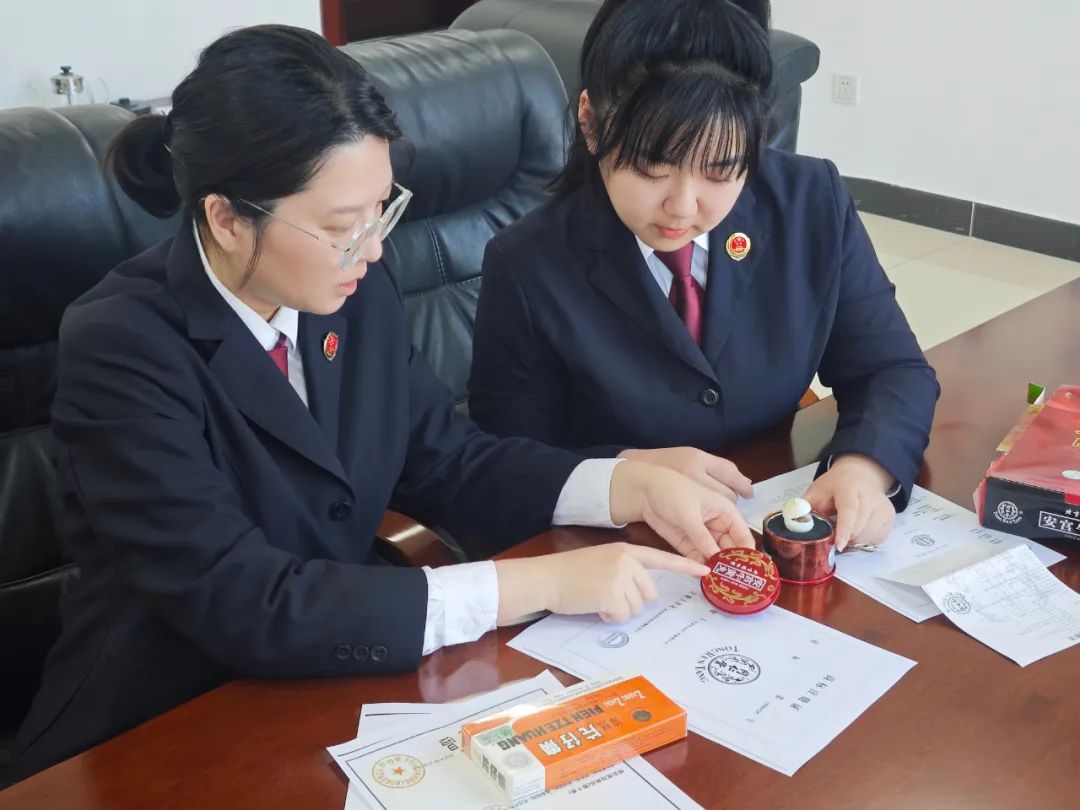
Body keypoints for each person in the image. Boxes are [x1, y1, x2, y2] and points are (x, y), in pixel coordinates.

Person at [12, 24, 753, 778]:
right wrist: (533, 584)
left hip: (340, 679)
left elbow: (445, 460)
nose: (372, 247)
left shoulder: (348, 289)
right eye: (343, 226)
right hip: (171, 719)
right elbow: (243, 599)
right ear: (227, 218)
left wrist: (627, 484)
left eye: (381, 210)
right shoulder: (120, 345)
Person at [469, 0, 939, 552]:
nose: (683, 206)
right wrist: (624, 471)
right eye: (652, 168)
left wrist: (864, 467)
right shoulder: (528, 264)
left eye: (720, 171)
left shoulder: (810, 202)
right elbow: (505, 460)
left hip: (768, 511)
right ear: (591, 124)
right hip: (625, 546)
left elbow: (890, 368)